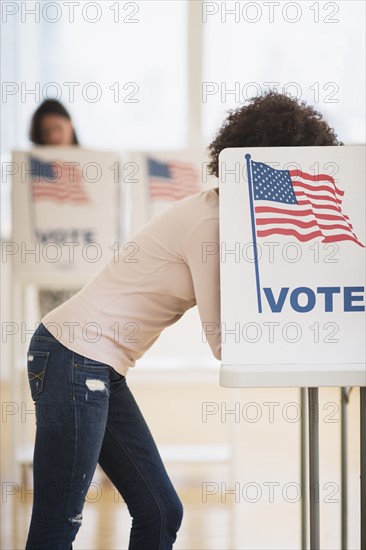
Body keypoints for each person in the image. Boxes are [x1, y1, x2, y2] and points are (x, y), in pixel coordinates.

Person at [25, 92, 341, 550]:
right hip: (73, 358)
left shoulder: (225, 217)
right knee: (59, 524)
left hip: (93, 365)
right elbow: (222, 340)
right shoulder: (211, 224)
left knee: (160, 511)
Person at [29, 99, 81, 316]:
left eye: (57, 129)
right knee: (50, 327)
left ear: (70, 126)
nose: (53, 136)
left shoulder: (95, 164)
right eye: (46, 131)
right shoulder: (31, 168)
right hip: (47, 264)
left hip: (85, 262)